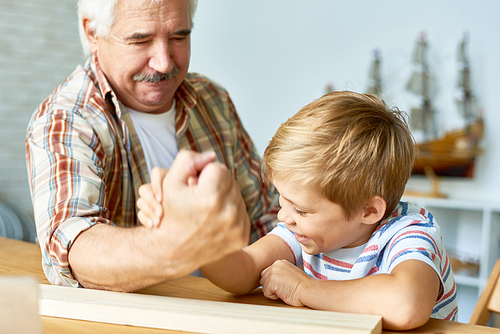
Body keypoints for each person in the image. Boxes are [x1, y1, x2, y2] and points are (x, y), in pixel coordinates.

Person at [139, 91, 458, 330]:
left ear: (368, 210)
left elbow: (406, 304)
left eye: (301, 209)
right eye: (282, 199)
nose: (283, 216)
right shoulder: (305, 233)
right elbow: (244, 269)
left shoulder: (410, 231)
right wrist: (194, 234)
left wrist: (305, 287)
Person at [25, 0, 279, 292]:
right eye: (140, 40)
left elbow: (269, 219)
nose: (164, 62)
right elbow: (73, 248)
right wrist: (177, 242)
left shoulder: (213, 100)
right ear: (92, 32)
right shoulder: (65, 120)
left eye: (179, 37)